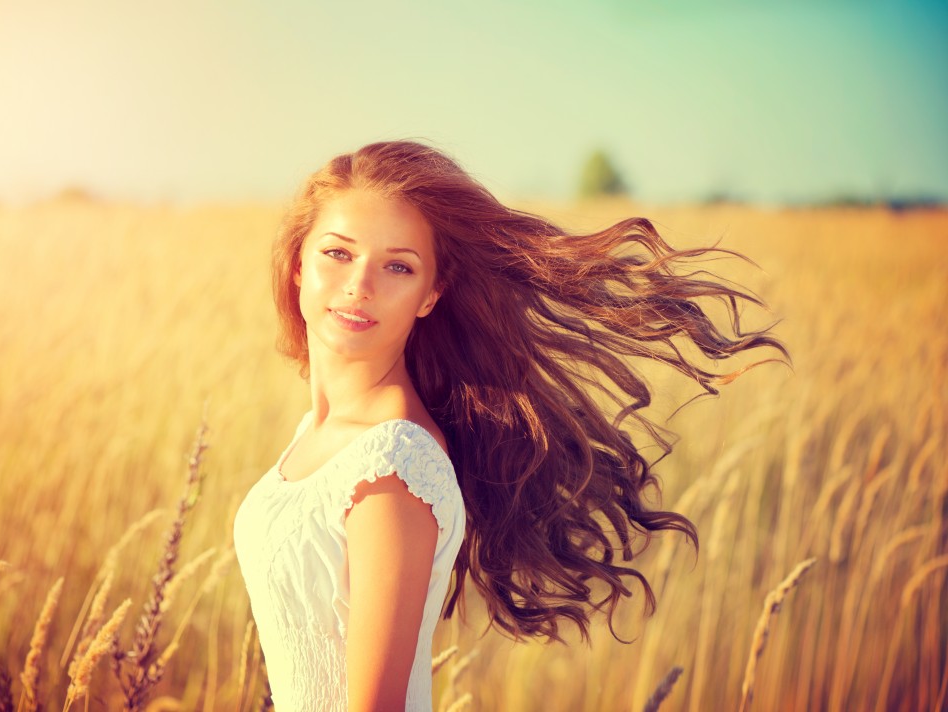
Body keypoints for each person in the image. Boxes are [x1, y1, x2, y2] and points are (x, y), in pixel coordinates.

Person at [233, 140, 785, 712]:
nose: (359, 285)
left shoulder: (390, 464)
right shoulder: (319, 434)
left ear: (431, 295)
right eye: (338, 254)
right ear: (299, 263)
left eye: (398, 266)